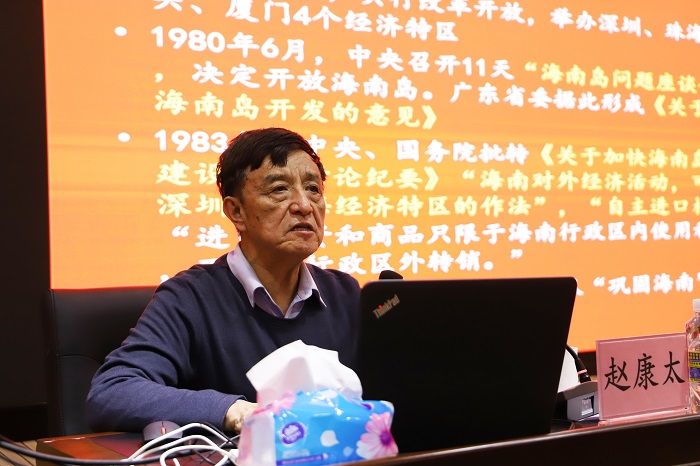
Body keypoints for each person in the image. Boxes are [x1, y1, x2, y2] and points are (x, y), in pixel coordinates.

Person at [86, 127, 361, 434]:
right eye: (279, 189)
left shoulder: (346, 295)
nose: (304, 205)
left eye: (313, 188)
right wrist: (235, 411)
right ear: (236, 211)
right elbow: (112, 391)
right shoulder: (190, 297)